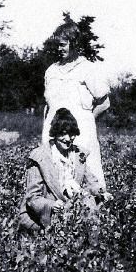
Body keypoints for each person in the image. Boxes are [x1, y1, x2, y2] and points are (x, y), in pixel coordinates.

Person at [41, 17, 111, 192]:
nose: (59, 48)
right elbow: (47, 106)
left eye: (63, 44)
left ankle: (91, 215)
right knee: (53, 178)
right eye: (57, 44)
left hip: (80, 134)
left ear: (74, 43)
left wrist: (86, 121)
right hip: (54, 133)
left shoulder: (88, 69)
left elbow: (105, 103)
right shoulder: (51, 71)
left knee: (87, 178)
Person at [19, 108, 112, 231]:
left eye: (72, 134)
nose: (68, 139)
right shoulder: (40, 157)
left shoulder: (78, 155)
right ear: (55, 133)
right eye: (63, 133)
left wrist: (101, 193)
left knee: (90, 206)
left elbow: (91, 181)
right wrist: (51, 205)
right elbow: (32, 198)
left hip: (69, 209)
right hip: (43, 215)